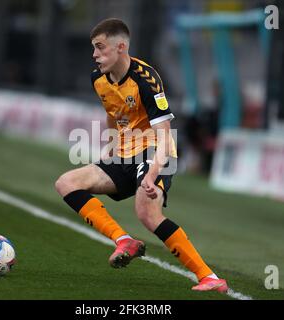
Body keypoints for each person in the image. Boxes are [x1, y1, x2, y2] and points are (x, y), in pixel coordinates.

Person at [55, 18, 228, 293]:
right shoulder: (97, 79)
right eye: (93, 48)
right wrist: (111, 145)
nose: (94, 55)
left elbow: (164, 134)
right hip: (124, 153)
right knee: (66, 183)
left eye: (100, 48)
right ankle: (124, 241)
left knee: (146, 213)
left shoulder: (146, 80)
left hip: (155, 152)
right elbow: (113, 112)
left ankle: (208, 277)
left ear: (121, 47)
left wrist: (152, 173)